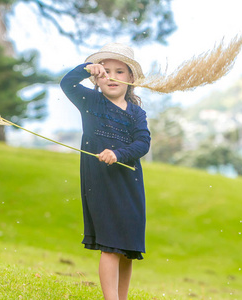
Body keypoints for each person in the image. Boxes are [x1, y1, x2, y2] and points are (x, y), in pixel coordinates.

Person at [60, 43, 151, 300]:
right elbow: (67, 83)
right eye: (106, 71)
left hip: (129, 184)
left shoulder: (137, 113)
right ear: (97, 79)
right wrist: (86, 68)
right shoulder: (90, 102)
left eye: (120, 71)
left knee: (127, 247)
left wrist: (118, 154)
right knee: (110, 245)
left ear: (131, 79)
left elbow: (142, 143)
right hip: (100, 182)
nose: (112, 76)